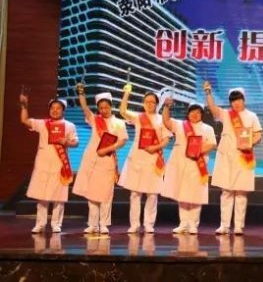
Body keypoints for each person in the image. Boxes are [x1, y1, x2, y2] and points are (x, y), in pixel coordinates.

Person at [204, 82, 262, 235]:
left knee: (241, 193)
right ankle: (224, 225)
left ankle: (238, 226)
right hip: (226, 156)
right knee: (226, 192)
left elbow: (258, 134)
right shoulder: (226, 114)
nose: (236, 103)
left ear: (244, 100)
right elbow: (213, 108)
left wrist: (249, 143)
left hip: (243, 156)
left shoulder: (252, 116)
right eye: (233, 100)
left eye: (239, 99)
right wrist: (208, 92)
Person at [19, 92, 79, 233]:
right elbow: (24, 120)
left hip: (60, 165)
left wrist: (66, 142)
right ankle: (40, 224)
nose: (55, 110)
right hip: (43, 164)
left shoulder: (69, 125)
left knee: (59, 197)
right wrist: (24, 106)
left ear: (63, 110)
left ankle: (56, 224)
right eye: (52, 108)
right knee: (42, 196)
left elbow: (76, 142)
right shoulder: (43, 124)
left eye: (58, 108)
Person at [72, 85, 128, 234]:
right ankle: (93, 224)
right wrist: (81, 93)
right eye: (101, 108)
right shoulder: (95, 120)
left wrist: (108, 149)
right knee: (91, 194)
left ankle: (103, 224)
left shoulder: (119, 123)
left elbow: (123, 141)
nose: (103, 110)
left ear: (111, 106)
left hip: (107, 160)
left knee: (106, 194)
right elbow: (85, 108)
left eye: (106, 107)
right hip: (91, 160)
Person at [118, 85, 170, 234]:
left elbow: (166, 139)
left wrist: (155, 148)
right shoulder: (138, 117)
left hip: (154, 158)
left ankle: (148, 224)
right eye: (147, 101)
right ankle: (134, 224)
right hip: (137, 157)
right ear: (143, 103)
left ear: (157, 104)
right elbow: (122, 111)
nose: (149, 104)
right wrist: (126, 93)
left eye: (152, 102)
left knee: (152, 194)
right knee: (135, 193)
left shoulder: (162, 119)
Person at [161, 97, 217, 234]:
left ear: (202, 114)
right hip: (180, 165)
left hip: (197, 165)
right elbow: (166, 121)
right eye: (192, 111)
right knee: (182, 195)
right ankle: (183, 223)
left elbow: (212, 144)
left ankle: (193, 224)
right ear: (188, 113)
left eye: (198, 112)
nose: (195, 114)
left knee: (195, 195)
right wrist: (166, 107)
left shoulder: (207, 128)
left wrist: (199, 150)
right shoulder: (180, 124)